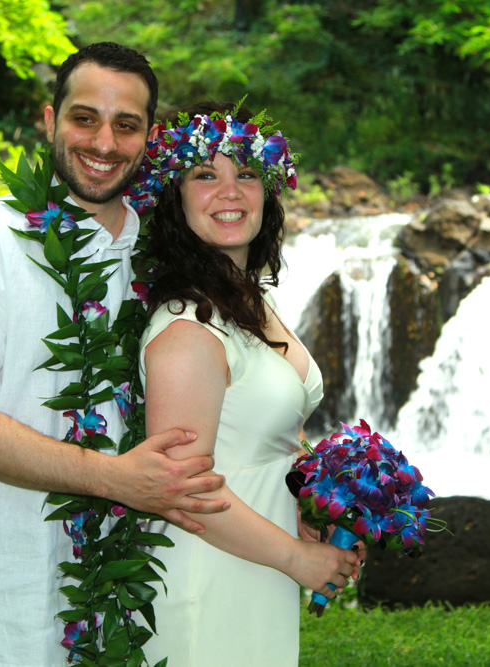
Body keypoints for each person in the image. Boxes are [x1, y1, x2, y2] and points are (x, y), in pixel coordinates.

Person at [0, 43, 230, 667]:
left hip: (121, 609)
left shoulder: (165, 257)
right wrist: (114, 478)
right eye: (85, 118)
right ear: (49, 121)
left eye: (125, 125)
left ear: (149, 137)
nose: (104, 142)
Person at [136, 102, 360, 666]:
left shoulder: (252, 302)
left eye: (247, 174)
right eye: (206, 174)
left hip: (257, 556)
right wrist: (294, 557)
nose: (230, 192)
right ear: (175, 197)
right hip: (210, 576)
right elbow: (181, 487)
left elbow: (260, 440)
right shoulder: (189, 330)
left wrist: (312, 513)